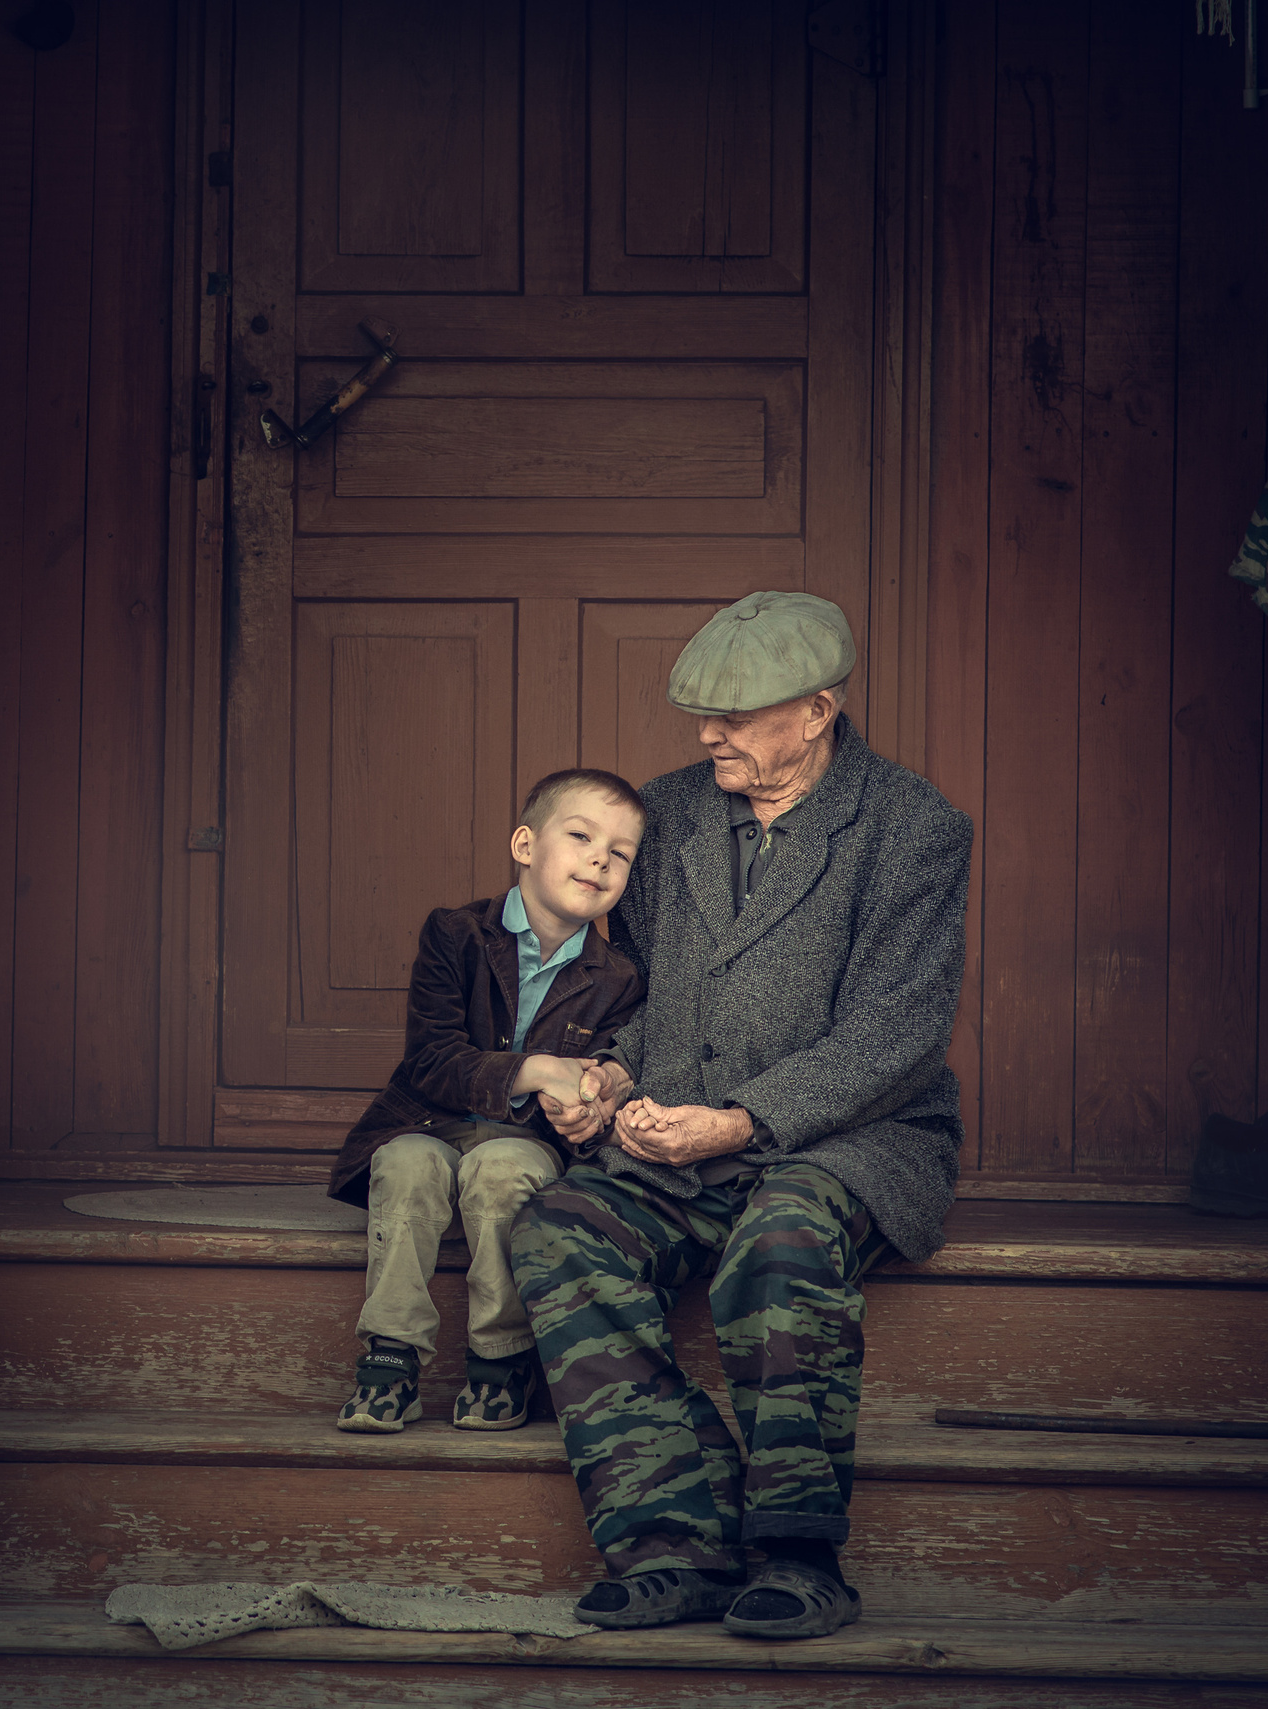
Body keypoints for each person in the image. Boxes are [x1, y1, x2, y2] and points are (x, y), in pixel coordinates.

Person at [511, 591, 972, 1641]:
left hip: (852, 1135)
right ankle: (674, 1540)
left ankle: (798, 1554)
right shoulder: (664, 812)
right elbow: (620, 984)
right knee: (561, 1229)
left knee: (782, 1239)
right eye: (700, 714)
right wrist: (611, 1079)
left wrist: (743, 1121)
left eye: (736, 714)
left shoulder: (912, 828)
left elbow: (893, 1035)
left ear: (815, 711)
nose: (707, 733)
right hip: (680, 1127)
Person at [323, 769, 647, 1433]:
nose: (599, 858)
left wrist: (583, 1110)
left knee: (503, 1168)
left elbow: (602, 1082)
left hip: (523, 1141)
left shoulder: (618, 976)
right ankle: (389, 1359)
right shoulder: (456, 935)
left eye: (620, 852)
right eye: (581, 835)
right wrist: (536, 1069)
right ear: (525, 845)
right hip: (430, 1120)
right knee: (407, 1164)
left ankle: (499, 1361)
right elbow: (433, 1060)